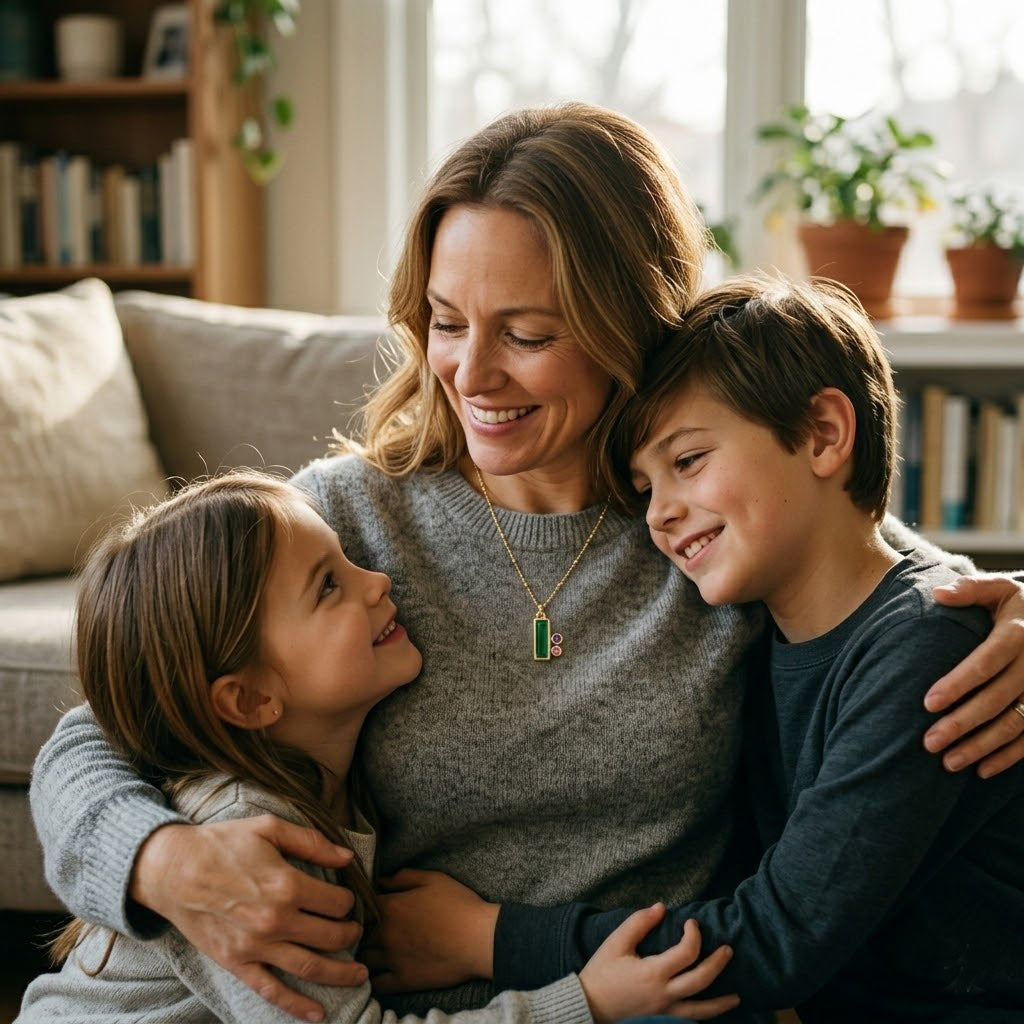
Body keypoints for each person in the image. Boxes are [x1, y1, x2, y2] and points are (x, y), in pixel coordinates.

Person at [29, 104, 1024, 1023]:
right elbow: (111, 723)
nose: (471, 372)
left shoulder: (701, 523)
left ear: (629, 325)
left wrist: (1009, 608)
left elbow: (875, 571)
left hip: (643, 1000)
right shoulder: (341, 523)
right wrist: (158, 860)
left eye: (528, 333)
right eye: (446, 321)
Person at [381, 277, 1024, 1022]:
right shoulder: (758, 630)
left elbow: (775, 941)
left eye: (687, 462)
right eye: (644, 487)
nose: (659, 515)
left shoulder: (928, 644)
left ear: (823, 434)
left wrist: (487, 939)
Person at [16, 470, 741, 1024]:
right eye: (329, 586)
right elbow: (105, 723)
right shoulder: (257, 836)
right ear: (251, 700)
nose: (379, 579)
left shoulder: (313, 780)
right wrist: (584, 1003)